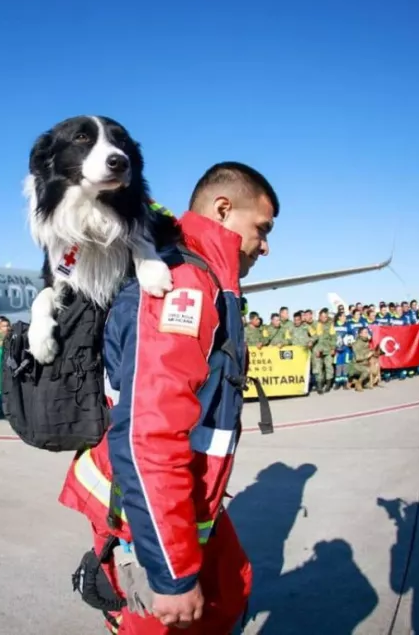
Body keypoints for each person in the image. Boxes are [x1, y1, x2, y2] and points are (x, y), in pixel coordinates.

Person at [58, 161, 278, 634]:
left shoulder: (208, 281)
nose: (266, 245)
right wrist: (172, 574)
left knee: (232, 589)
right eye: (261, 229)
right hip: (147, 520)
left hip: (180, 507)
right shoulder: (184, 287)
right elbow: (149, 439)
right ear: (223, 209)